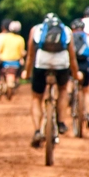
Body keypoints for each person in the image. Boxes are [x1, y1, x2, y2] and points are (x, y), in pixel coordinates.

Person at [22, 13, 81, 148]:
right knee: (63, 89)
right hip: (61, 64)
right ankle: (61, 122)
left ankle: (37, 130)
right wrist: (76, 73)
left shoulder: (36, 29)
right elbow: (72, 55)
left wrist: (26, 71)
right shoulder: (66, 30)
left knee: (37, 98)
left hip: (41, 63)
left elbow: (31, 54)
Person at [0, 19, 26, 94]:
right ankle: (18, 79)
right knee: (21, 67)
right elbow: (22, 52)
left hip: (4, 59)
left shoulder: (4, 37)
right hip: (16, 60)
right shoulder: (21, 39)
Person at [71, 19, 89, 128]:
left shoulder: (69, 37)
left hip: (73, 63)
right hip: (85, 64)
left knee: (68, 84)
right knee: (87, 91)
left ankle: (68, 96)